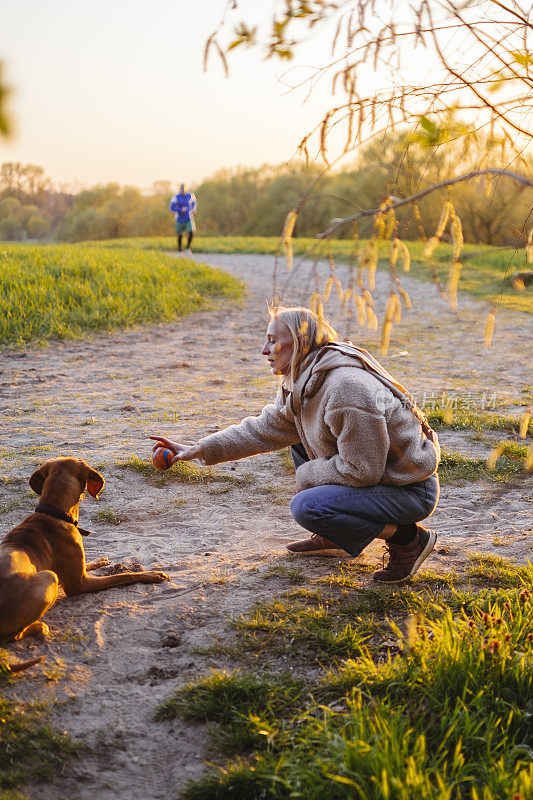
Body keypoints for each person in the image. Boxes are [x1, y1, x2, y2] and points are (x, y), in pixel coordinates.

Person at [150, 306, 441, 583]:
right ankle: (336, 536)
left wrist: (307, 475)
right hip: (378, 478)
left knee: (307, 506)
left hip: (408, 489)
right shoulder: (306, 379)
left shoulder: (346, 389)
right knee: (300, 440)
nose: (265, 350)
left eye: (274, 341)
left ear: (300, 344)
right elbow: (264, 429)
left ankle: (408, 539)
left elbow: (362, 470)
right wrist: (198, 449)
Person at [169, 184, 197, 253]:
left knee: (191, 232)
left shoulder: (190, 195)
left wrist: (193, 209)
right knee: (179, 234)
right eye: (182, 189)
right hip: (179, 218)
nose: (183, 190)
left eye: (184, 189)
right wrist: (181, 209)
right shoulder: (176, 197)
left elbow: (194, 203)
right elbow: (172, 207)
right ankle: (179, 249)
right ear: (180, 189)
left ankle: (188, 248)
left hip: (188, 217)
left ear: (186, 189)